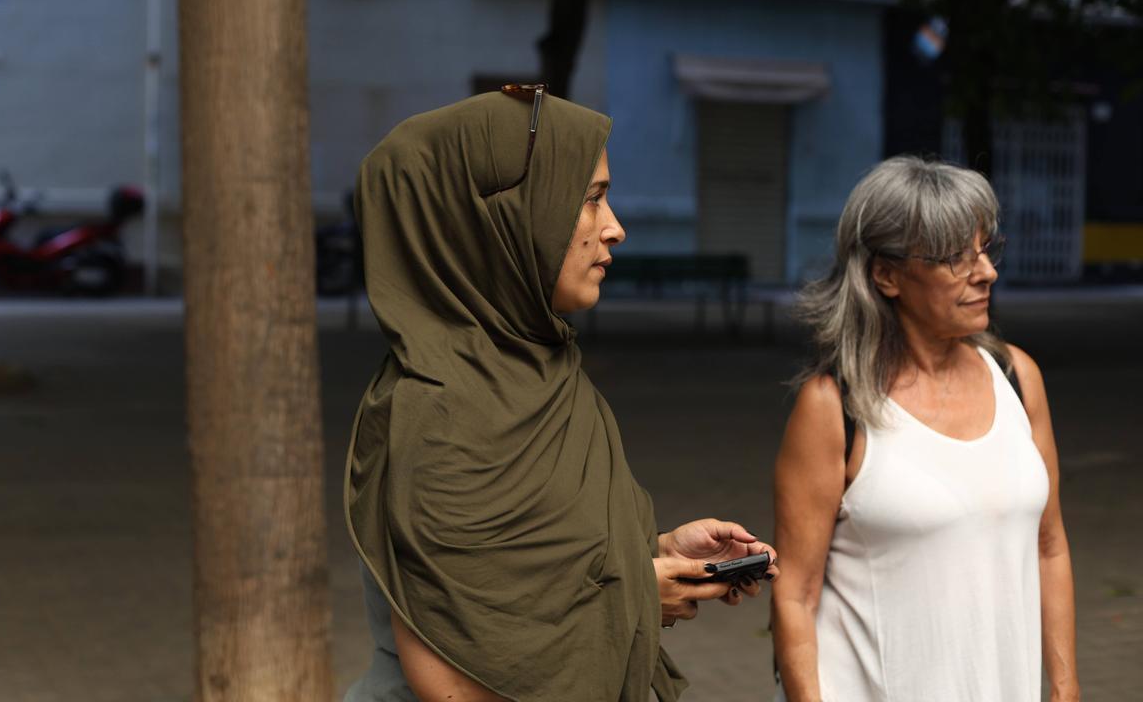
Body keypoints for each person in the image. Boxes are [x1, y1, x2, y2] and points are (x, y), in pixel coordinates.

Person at [344, 86, 777, 702]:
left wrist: (655, 554)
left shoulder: (544, 370)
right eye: (591, 199)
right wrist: (637, 595)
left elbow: (524, 576)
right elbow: (453, 685)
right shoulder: (437, 411)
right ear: (499, 220)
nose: (616, 229)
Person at [771, 157, 1078, 701]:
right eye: (955, 257)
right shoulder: (834, 406)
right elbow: (795, 594)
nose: (985, 272)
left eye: (985, 250)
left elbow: (1049, 546)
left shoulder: (1017, 377)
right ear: (885, 275)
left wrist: (1064, 687)